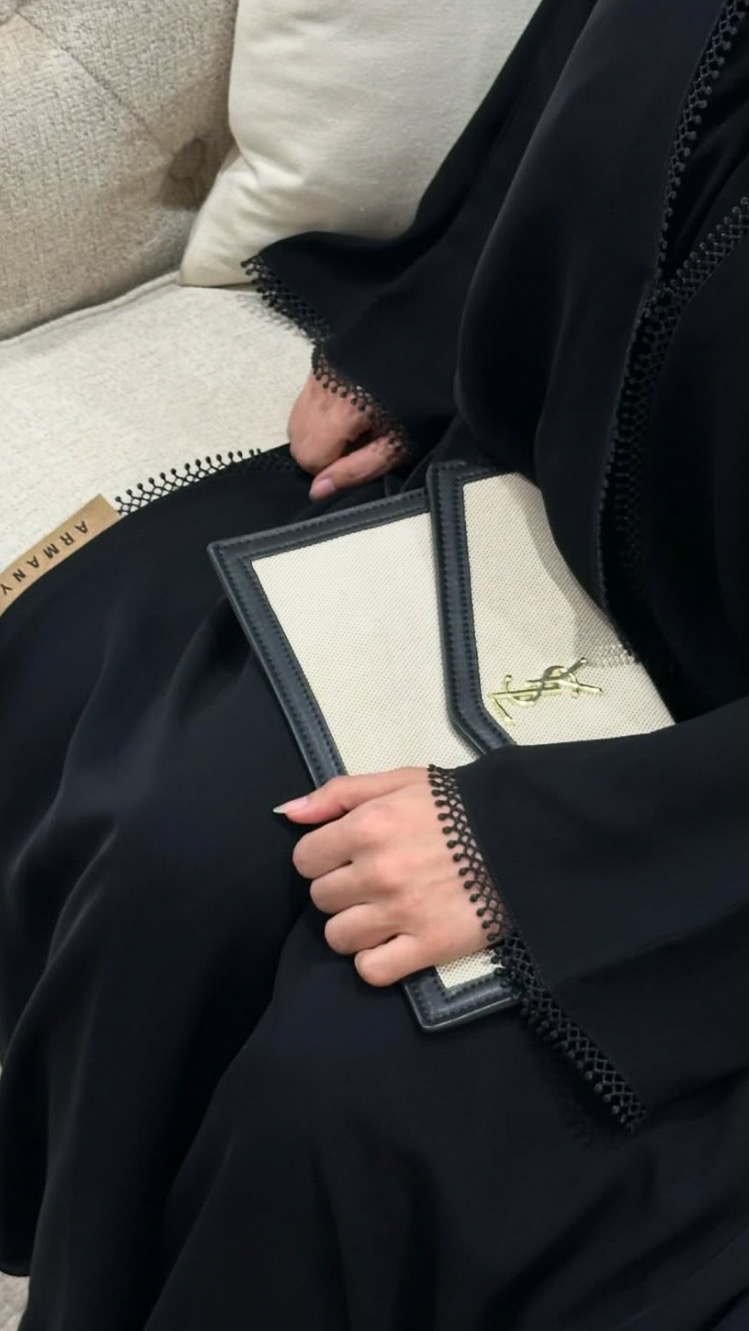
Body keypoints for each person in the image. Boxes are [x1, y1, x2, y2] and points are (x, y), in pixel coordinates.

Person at [2, 0, 749, 1326]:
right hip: (569, 525)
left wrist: (570, 854)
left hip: (700, 825)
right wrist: (436, 322)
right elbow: (602, 68)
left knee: (352, 1096)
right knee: (172, 858)